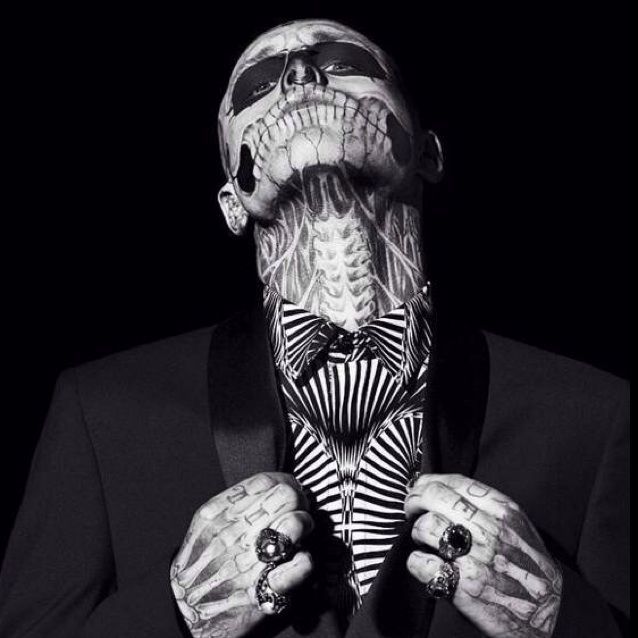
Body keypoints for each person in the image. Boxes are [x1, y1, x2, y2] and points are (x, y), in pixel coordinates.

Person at [0, 18, 629, 638]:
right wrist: (177, 613)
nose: (301, 76)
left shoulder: (590, 416)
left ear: (429, 154)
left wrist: (558, 617)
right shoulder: (105, 412)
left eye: (343, 63)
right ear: (231, 200)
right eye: (258, 85)